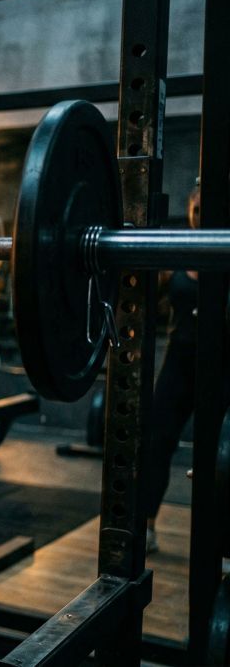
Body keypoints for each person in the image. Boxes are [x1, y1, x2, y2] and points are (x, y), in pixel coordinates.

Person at [144, 180, 229, 553]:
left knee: (220, 452)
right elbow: (144, 294)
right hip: (179, 361)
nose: (201, 211)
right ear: (190, 209)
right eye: (196, 206)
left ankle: (221, 535)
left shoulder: (225, 251)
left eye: (207, 206)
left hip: (222, 364)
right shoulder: (178, 253)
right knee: (156, 440)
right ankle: (144, 524)